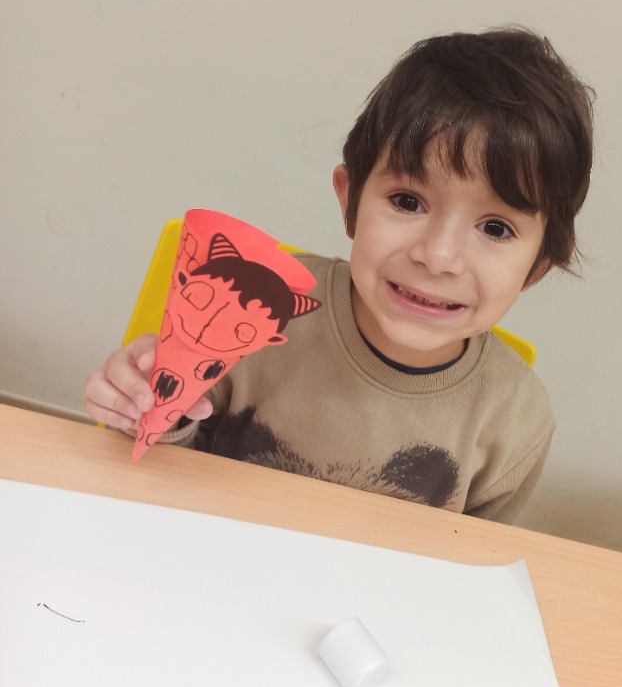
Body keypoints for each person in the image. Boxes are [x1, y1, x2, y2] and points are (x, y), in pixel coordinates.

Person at [84, 27, 594, 521]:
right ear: (350, 200)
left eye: (496, 228)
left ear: (540, 264)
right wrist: (143, 403)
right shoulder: (253, 310)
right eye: (407, 201)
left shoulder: (517, 418)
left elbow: (475, 560)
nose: (438, 257)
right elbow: (146, 480)